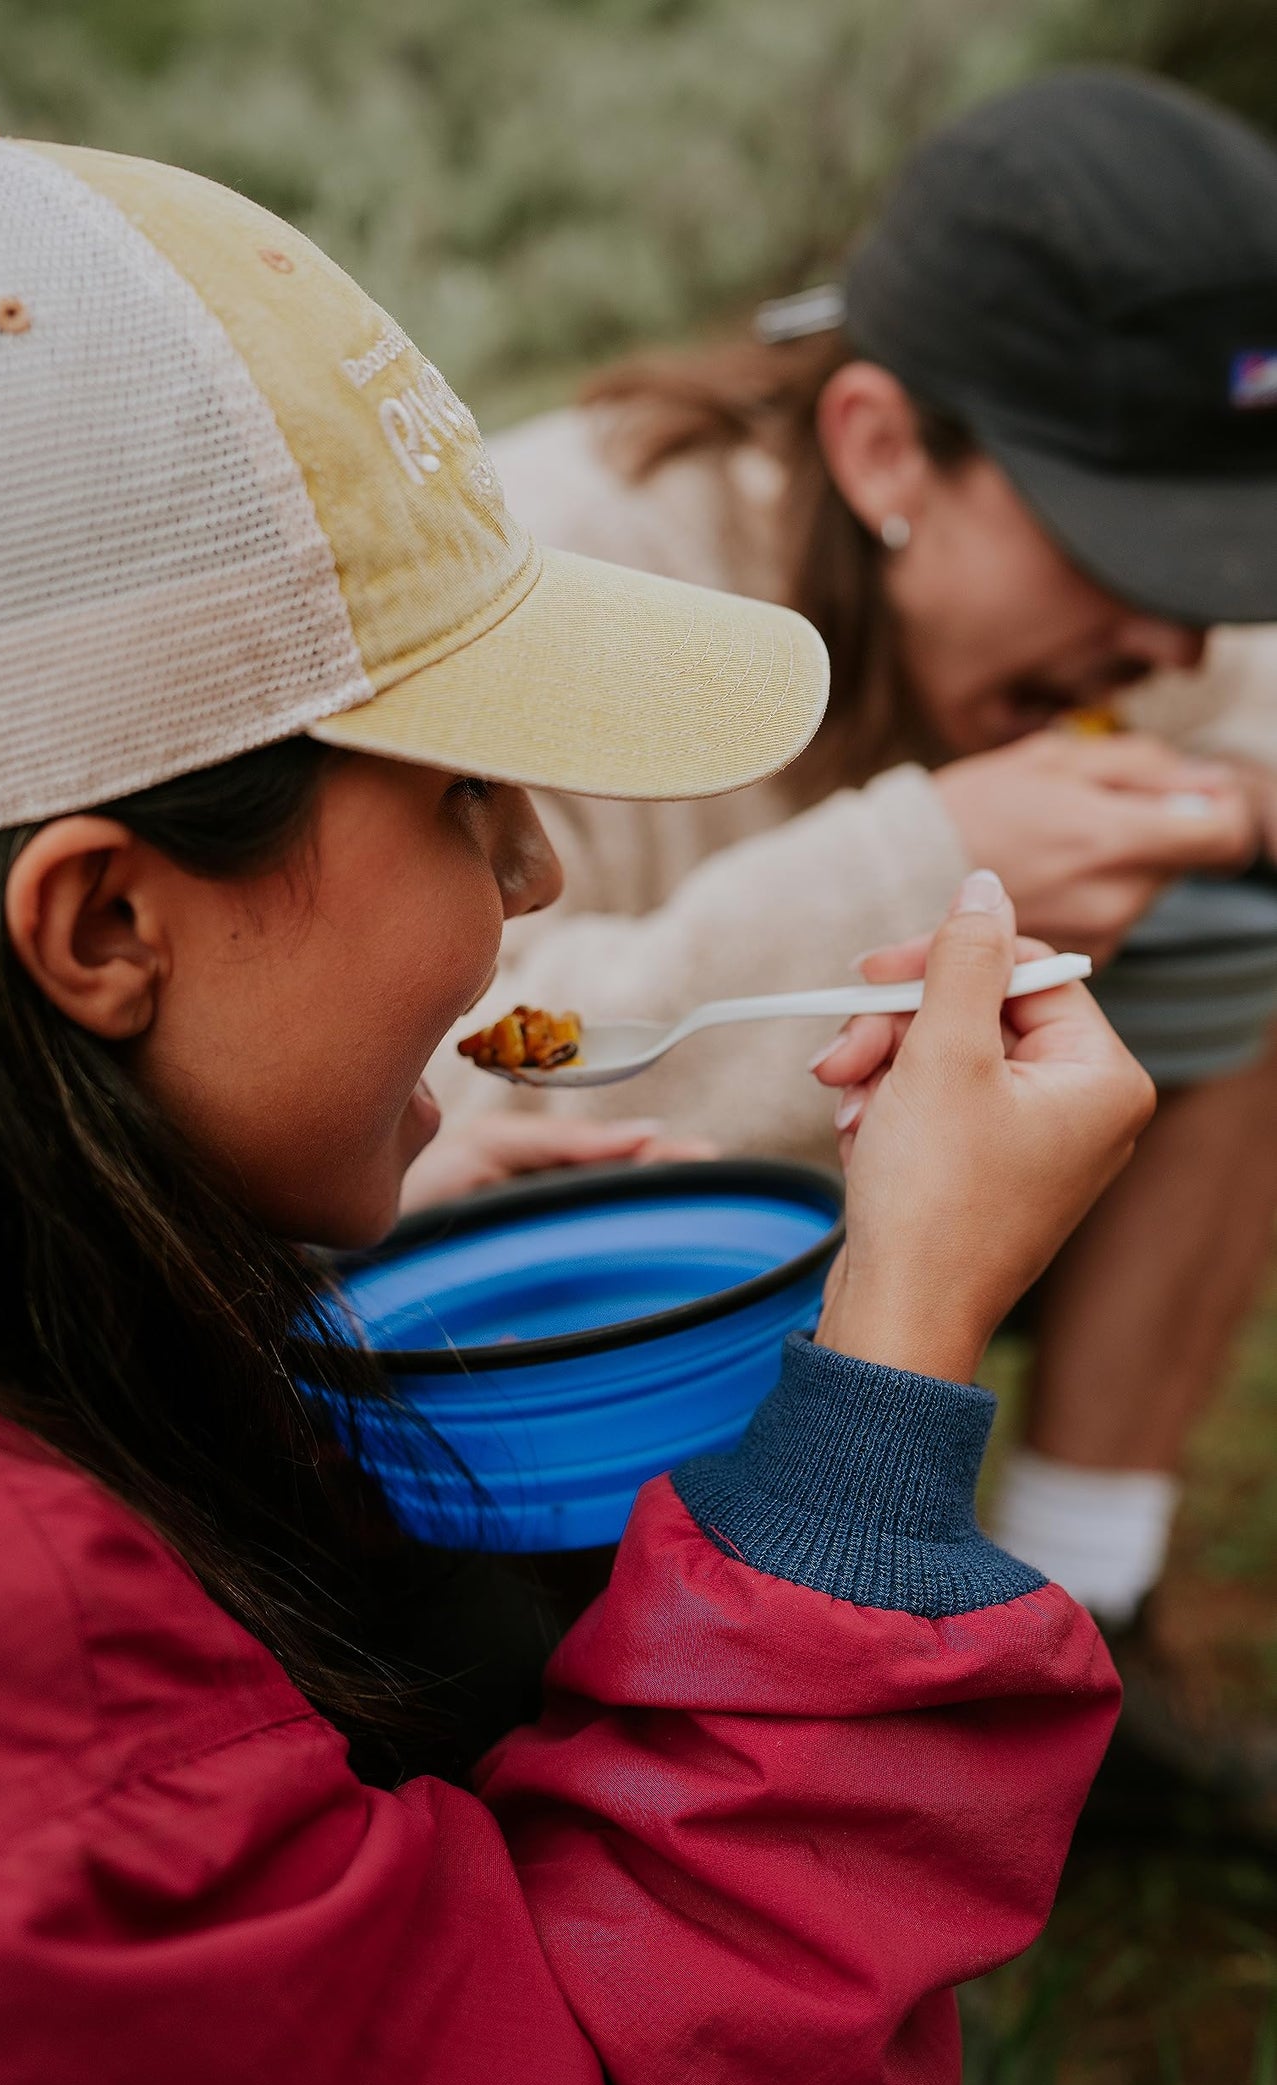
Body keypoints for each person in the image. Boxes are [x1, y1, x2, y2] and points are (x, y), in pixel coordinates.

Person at [0, 117, 1152, 2085]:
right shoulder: (7, 1706)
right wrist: (885, 1374)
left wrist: (226, 1272)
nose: (535, 869)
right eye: (463, 797)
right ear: (101, 926)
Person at [436, 68, 1277, 1659]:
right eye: (1129, 557)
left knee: (1237, 932)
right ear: (883, 447)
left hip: (885, 1239)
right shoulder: (557, 576)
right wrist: (919, 858)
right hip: (552, 1322)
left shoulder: (1128, 622)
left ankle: (1083, 1608)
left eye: (1225, 564)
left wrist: (1225, 814)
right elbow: (441, 1071)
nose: (1176, 636)